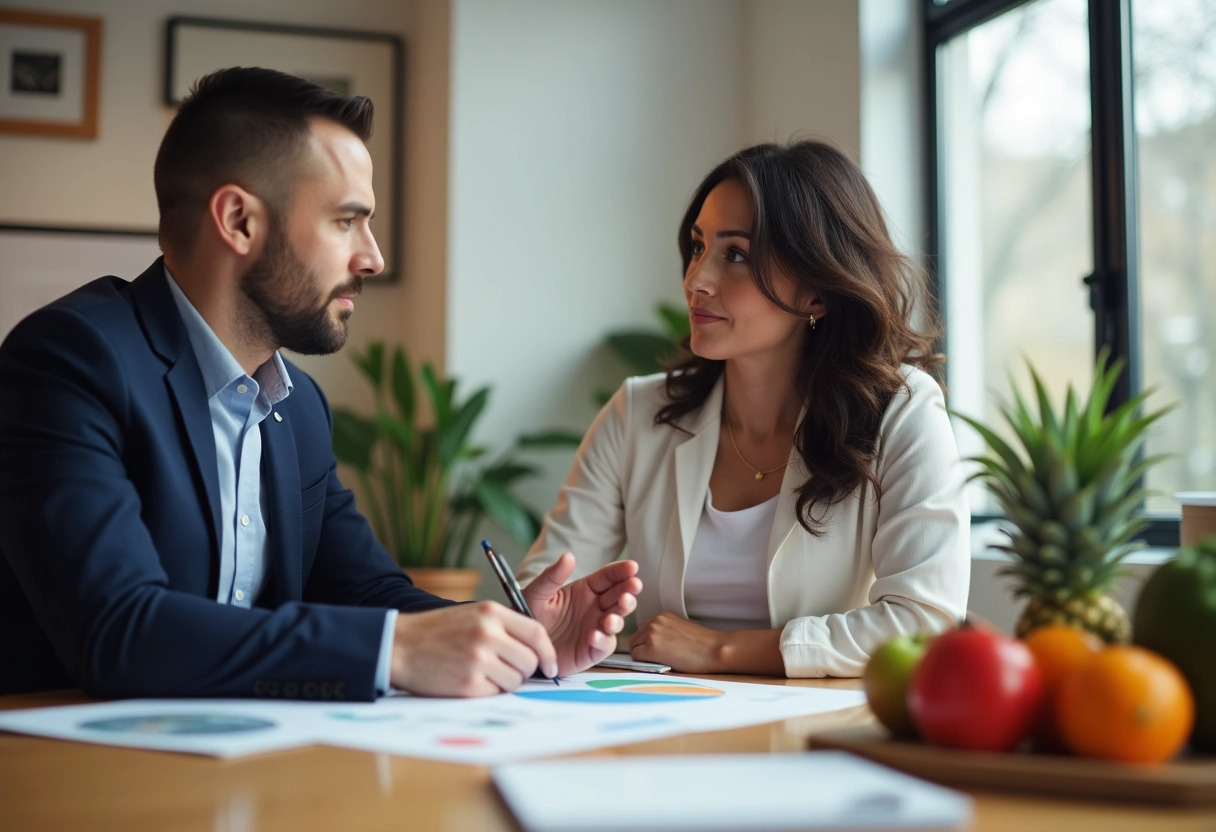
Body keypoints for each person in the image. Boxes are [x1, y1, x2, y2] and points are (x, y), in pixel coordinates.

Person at [0, 67, 640, 700]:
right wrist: (397, 651)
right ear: (239, 222)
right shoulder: (70, 362)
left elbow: (364, 590)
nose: (373, 257)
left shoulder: (297, 405)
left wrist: (514, 636)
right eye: (346, 221)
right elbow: (119, 629)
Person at [517, 141, 969, 677]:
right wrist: (549, 617)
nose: (696, 280)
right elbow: (547, 592)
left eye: (735, 255)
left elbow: (923, 622)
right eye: (697, 246)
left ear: (818, 294)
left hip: (814, 732)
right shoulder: (637, 413)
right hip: (655, 722)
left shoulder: (901, 412)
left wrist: (720, 649)